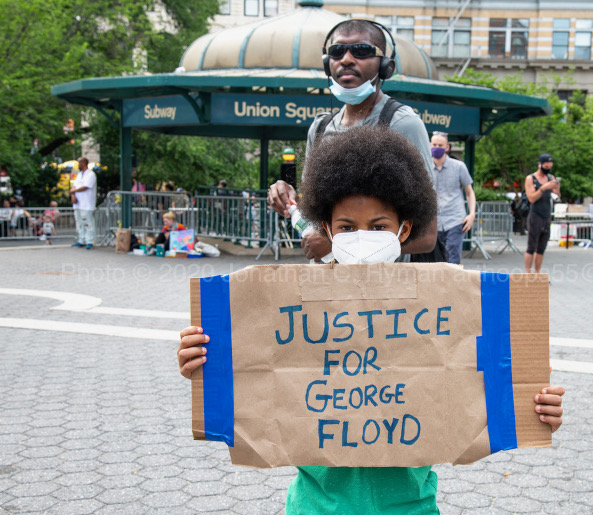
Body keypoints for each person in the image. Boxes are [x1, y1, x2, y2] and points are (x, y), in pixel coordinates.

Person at [179, 127, 565, 514]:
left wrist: (533, 404)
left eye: (379, 227)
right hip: (315, 508)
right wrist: (203, 360)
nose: (362, 238)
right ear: (327, 230)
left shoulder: (438, 307)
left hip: (410, 508)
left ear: (404, 229)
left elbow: (482, 379)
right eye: (347, 227)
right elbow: (254, 369)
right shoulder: (294, 305)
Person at [267, 19, 437, 262]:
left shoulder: (402, 123)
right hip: (331, 280)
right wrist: (291, 200)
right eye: (337, 51)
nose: (346, 59)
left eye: (361, 51)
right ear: (327, 63)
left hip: (384, 281)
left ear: (385, 65)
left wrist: (335, 244)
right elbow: (317, 217)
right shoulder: (320, 128)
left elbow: (427, 236)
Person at [430, 132, 476, 264]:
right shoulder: (425, 167)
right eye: (434, 145)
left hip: (455, 220)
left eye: (440, 145)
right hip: (433, 221)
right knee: (434, 261)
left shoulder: (459, 167)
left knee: (452, 259)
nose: (437, 148)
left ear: (447, 147)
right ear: (429, 145)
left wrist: (472, 214)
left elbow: (469, 192)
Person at [524, 153, 560, 274]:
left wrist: (556, 187)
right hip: (535, 215)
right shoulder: (531, 178)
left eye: (550, 166)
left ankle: (537, 273)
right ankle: (528, 273)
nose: (548, 168)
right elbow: (532, 198)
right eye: (546, 166)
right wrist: (544, 188)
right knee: (531, 247)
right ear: (540, 164)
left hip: (546, 215)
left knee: (541, 248)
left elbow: (556, 196)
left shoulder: (550, 177)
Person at [70, 157, 97, 249]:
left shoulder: (91, 174)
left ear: (83, 163)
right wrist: (73, 196)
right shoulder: (79, 175)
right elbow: (74, 186)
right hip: (78, 204)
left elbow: (85, 186)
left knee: (87, 222)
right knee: (79, 222)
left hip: (87, 204)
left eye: (79, 163)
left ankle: (89, 241)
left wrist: (73, 191)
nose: (78, 165)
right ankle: (81, 240)